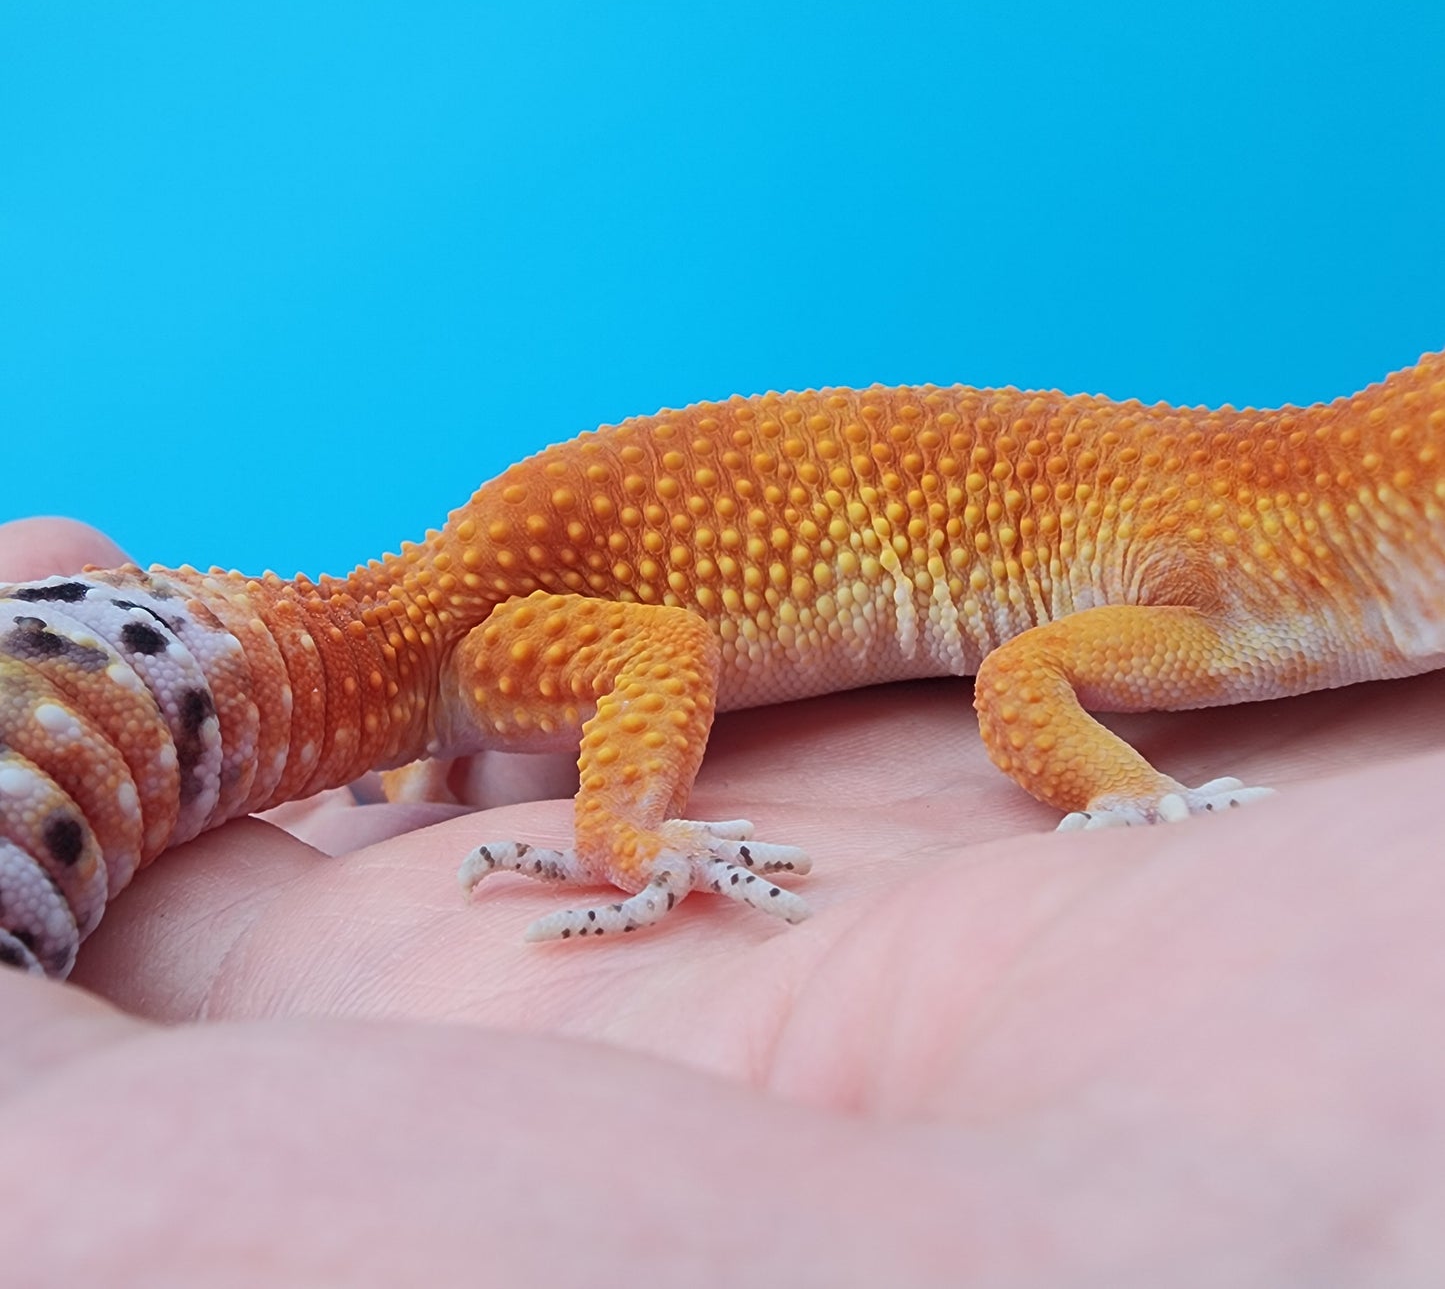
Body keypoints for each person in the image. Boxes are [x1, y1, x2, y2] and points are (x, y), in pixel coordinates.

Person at [3, 513, 1442, 1284]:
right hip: (465, 629)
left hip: (448, 626)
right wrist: (1143, 809)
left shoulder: (1296, 559)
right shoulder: (1260, 577)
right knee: (659, 654)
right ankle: (621, 831)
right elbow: (1022, 683)